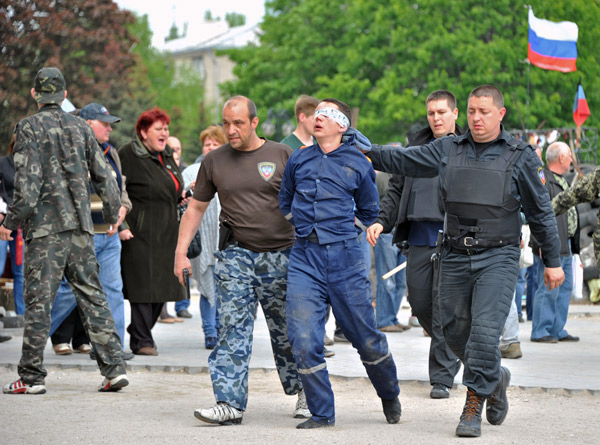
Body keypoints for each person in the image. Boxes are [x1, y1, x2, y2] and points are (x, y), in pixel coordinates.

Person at [364, 85, 563, 437]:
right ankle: (495, 379)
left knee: (485, 335)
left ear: (500, 114)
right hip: (454, 252)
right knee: (452, 333)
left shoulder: (520, 156)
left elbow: (541, 212)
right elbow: (405, 160)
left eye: (483, 112)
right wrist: (365, 150)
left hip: (499, 256)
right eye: (471, 111)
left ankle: (472, 405)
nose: (476, 118)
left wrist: (554, 260)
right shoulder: (448, 149)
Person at [174, 96, 306, 425]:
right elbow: (196, 208)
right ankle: (230, 404)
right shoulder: (214, 161)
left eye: (238, 123)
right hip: (235, 256)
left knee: (291, 332)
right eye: (226, 123)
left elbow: (306, 203)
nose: (231, 130)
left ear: (254, 122)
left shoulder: (282, 154)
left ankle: (307, 392)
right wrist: (180, 252)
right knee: (231, 330)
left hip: (282, 257)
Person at [1, 67, 127, 394]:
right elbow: (105, 178)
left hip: (46, 231)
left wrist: (9, 223)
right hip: (83, 228)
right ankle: (114, 369)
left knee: (39, 301)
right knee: (93, 296)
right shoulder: (82, 129)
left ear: (35, 94)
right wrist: (113, 215)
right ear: (65, 95)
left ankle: (30, 377)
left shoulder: (27, 128)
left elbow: (26, 190)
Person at [280, 98, 401, 429]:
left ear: (342, 125)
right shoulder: (299, 159)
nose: (319, 118)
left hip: (346, 259)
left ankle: (389, 392)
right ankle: (321, 412)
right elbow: (285, 200)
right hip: (305, 257)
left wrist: (349, 232)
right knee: (303, 339)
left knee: (365, 336)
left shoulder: (359, 163)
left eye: (327, 114)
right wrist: (303, 225)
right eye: (316, 112)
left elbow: (369, 211)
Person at [367, 90, 462, 400]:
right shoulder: (413, 148)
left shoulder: (467, 148)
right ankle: (456, 344)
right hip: (418, 238)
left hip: (454, 240)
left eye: (441, 112)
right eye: (431, 113)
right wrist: (383, 219)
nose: (435, 118)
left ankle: (442, 377)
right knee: (420, 305)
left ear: (455, 114)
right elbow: (395, 189)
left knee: (445, 308)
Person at [48, 102, 135, 361]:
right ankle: (33, 335)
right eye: (103, 123)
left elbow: (121, 188)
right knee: (69, 291)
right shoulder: (69, 153)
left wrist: (123, 208)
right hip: (83, 235)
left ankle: (110, 350)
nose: (109, 128)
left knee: (113, 291)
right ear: (86, 124)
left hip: (109, 236)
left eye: (110, 123)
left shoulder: (110, 152)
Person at [118, 107, 187, 356]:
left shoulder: (165, 153)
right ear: (144, 132)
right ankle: (141, 339)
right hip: (139, 231)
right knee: (142, 287)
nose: (164, 133)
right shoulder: (128, 154)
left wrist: (181, 195)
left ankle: (140, 331)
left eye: (166, 129)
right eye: (159, 129)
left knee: (164, 286)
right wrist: (121, 224)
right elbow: (115, 190)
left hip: (167, 231)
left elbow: (172, 183)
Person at [180, 125, 227, 348]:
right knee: (207, 286)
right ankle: (210, 331)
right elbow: (179, 197)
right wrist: (188, 191)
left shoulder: (230, 168)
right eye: (207, 144)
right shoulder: (192, 171)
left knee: (223, 288)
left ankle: (221, 328)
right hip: (203, 238)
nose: (210, 147)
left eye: (215, 144)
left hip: (225, 238)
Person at [530, 141, 579, 343]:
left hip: (565, 242)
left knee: (565, 287)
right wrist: (541, 243)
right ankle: (541, 330)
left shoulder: (563, 180)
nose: (571, 160)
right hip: (551, 242)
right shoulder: (544, 181)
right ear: (561, 158)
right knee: (549, 287)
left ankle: (558, 329)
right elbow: (537, 214)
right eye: (569, 156)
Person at [372, 170, 408, 333]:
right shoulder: (381, 178)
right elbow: (373, 202)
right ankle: (384, 320)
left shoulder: (408, 175)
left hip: (405, 232)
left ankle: (392, 317)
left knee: (402, 281)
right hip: (387, 233)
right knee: (387, 278)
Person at [0, 135, 24, 316]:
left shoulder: (30, 167)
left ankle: (21, 316)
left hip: (21, 226)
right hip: (2, 221)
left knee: (20, 272)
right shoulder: (3, 163)